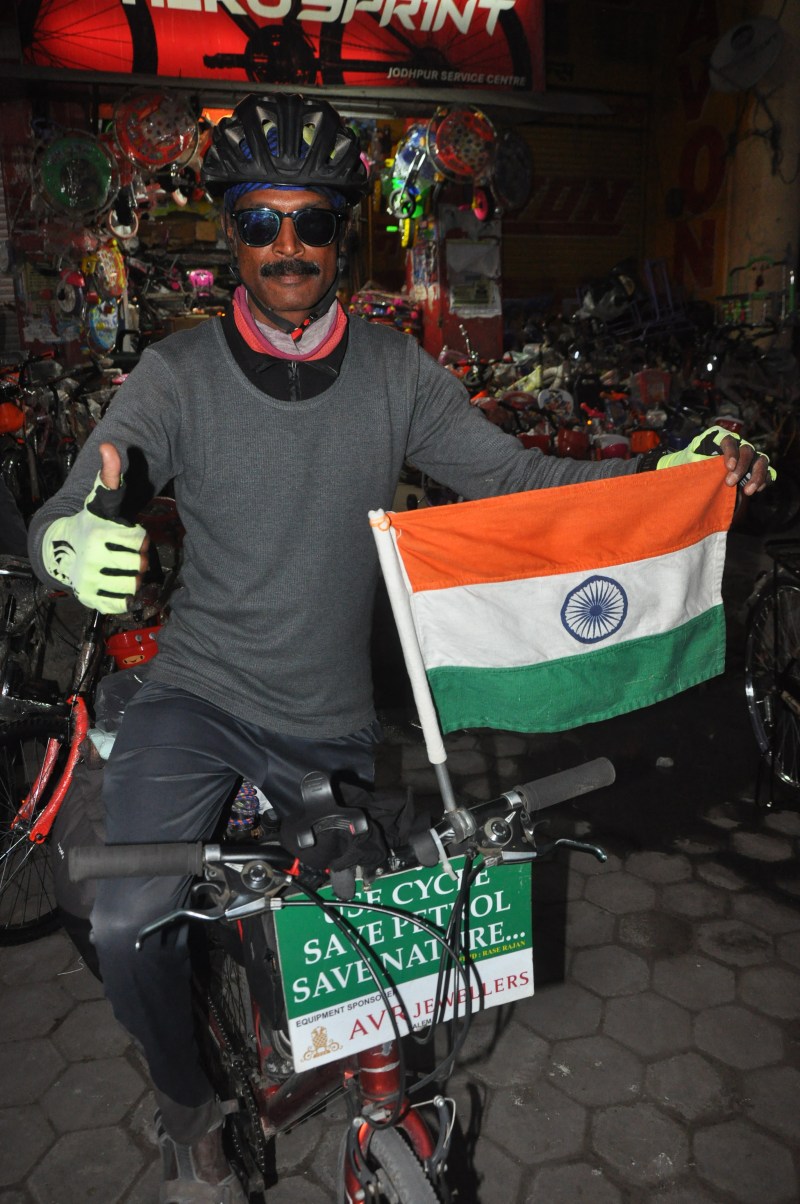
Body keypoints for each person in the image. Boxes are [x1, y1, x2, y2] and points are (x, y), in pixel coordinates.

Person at [26, 93, 772, 1202]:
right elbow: (72, 500)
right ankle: (191, 1112)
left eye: (312, 223)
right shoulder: (173, 377)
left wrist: (658, 478)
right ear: (230, 234)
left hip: (330, 715)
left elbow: (516, 481)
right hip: (199, 693)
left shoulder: (397, 375)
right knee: (132, 918)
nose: (286, 247)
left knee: (378, 933)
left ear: (344, 234)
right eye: (258, 221)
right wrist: (66, 541)